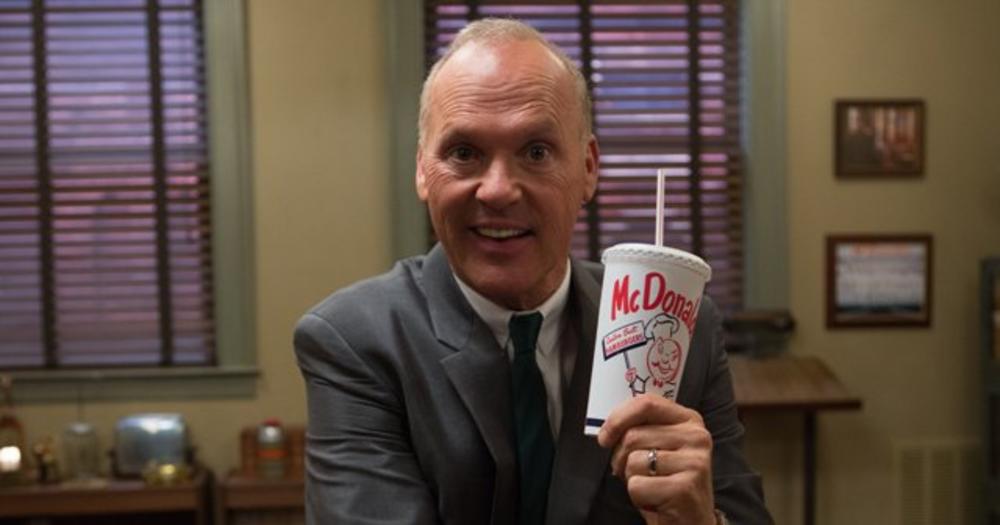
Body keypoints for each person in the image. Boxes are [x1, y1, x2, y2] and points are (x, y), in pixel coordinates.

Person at [294, 19, 771, 525]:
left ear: (588, 168)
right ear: (421, 170)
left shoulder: (680, 330)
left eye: (536, 152)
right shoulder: (354, 341)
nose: (498, 190)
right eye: (464, 153)